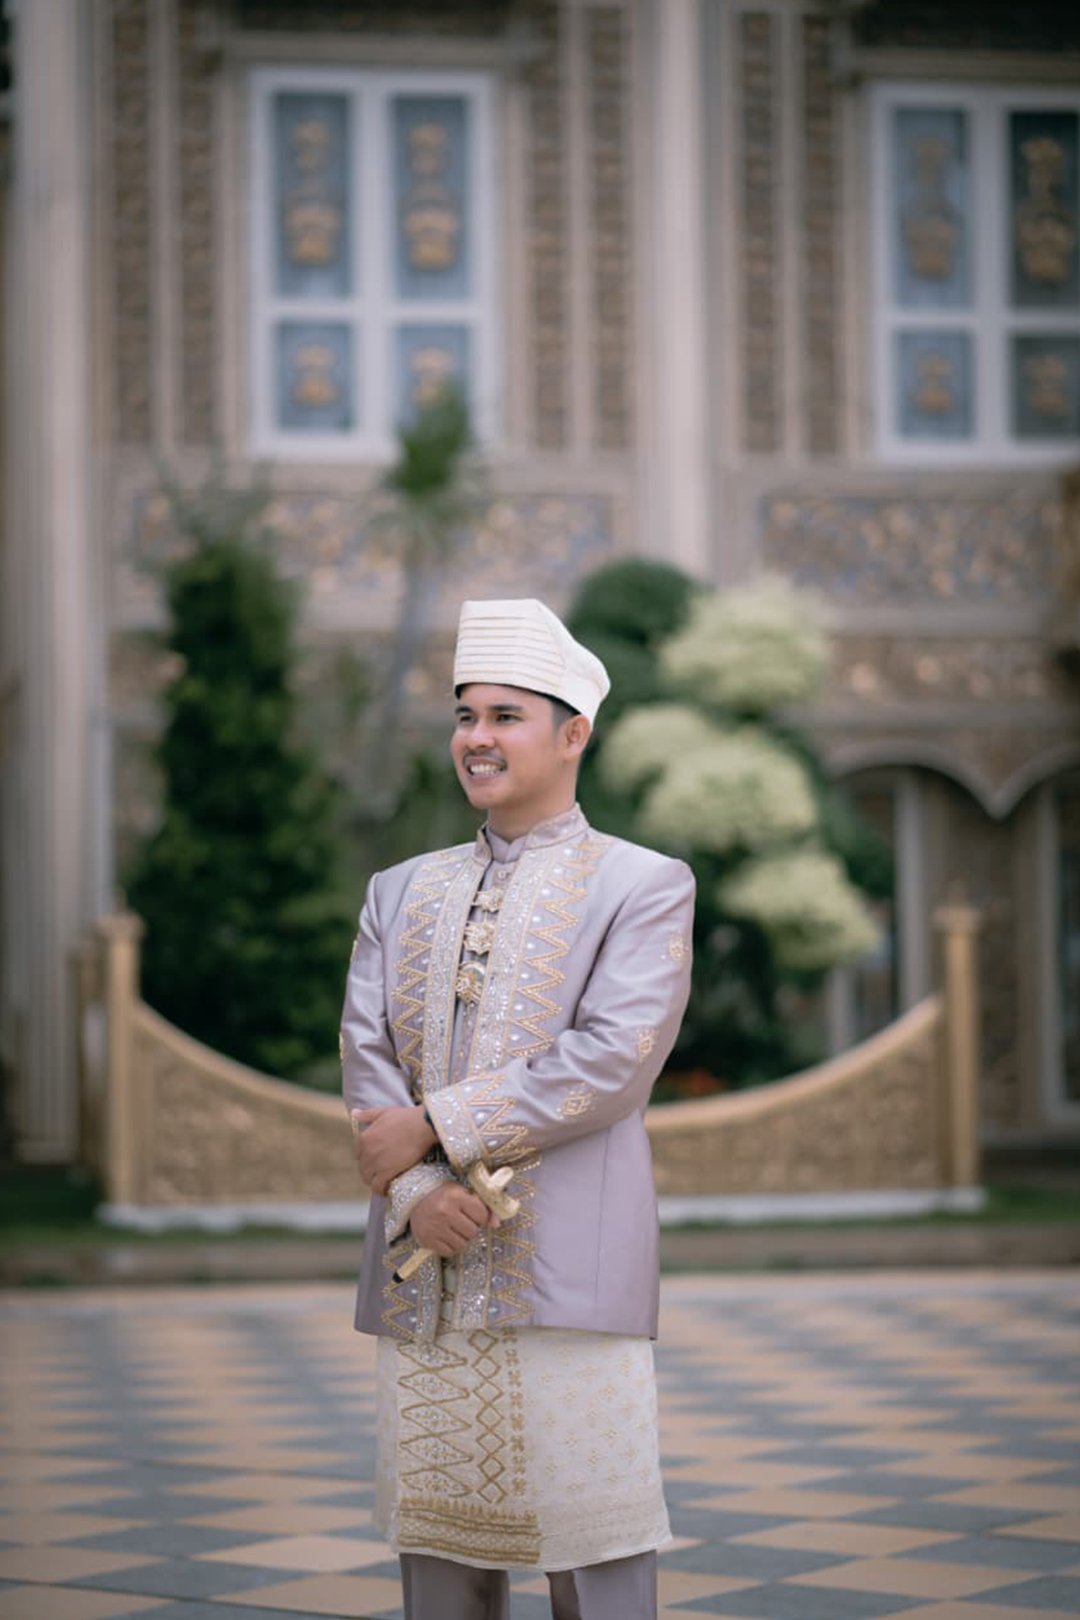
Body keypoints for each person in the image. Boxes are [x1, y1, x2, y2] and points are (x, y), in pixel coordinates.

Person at [341, 597, 695, 1620]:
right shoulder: (399, 890)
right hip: (429, 1275)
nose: (477, 738)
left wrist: (436, 1126)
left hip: (567, 1276)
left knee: (596, 1548)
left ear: (574, 734)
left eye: (505, 716)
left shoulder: (641, 884)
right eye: (465, 716)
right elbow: (366, 1055)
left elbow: (615, 1058)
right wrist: (417, 1190)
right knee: (441, 1557)